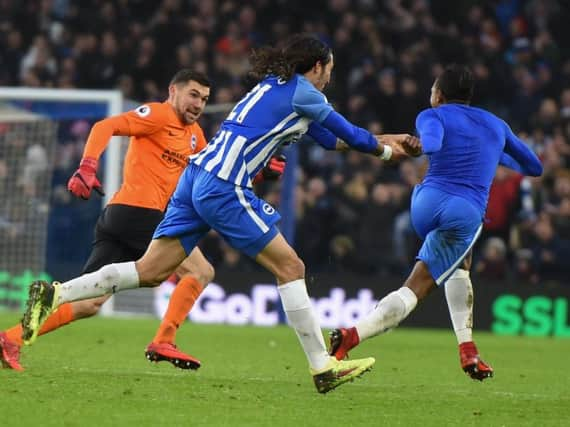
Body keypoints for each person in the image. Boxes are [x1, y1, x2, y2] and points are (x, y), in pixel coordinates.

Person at [21, 34, 416, 393]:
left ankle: (56, 292)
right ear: (317, 66)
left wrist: (390, 139)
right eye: (329, 69)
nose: (330, 77)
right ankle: (322, 367)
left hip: (194, 178)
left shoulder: (274, 88)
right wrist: (383, 153)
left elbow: (332, 141)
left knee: (151, 271)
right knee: (291, 268)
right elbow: (350, 134)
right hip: (224, 185)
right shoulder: (307, 94)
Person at [1, 69, 286, 371]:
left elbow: (215, 175)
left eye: (204, 99)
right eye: (193, 95)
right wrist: (87, 166)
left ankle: (10, 339)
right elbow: (104, 126)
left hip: (121, 217)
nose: (199, 104)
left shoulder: (195, 136)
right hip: (142, 213)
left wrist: (258, 174)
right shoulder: (157, 114)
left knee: (88, 303)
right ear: (172, 91)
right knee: (200, 271)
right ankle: (164, 339)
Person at [328, 64, 543, 381]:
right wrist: (493, 150)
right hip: (465, 211)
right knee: (417, 288)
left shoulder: (432, 115)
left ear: (438, 95)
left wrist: (419, 148)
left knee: (459, 262)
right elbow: (534, 166)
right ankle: (351, 337)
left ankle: (468, 349)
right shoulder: (496, 125)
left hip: (425, 205)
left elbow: (432, 143)